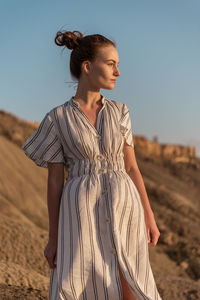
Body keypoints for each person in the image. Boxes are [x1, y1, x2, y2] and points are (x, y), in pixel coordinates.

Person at [22, 30, 162, 300]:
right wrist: (54, 238)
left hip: (125, 207)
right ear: (87, 67)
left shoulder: (120, 111)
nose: (117, 72)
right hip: (80, 212)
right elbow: (54, 181)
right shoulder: (57, 118)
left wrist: (149, 216)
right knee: (77, 283)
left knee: (131, 283)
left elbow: (131, 167)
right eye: (111, 64)